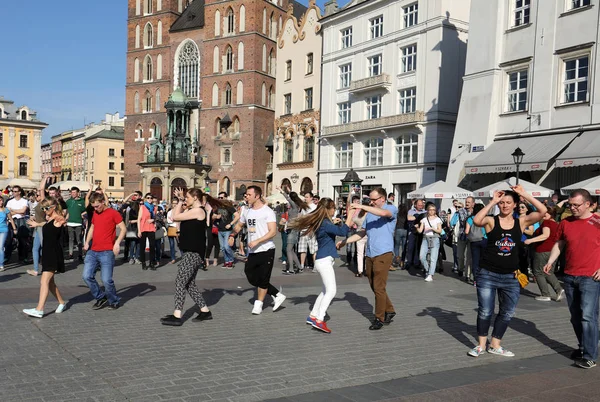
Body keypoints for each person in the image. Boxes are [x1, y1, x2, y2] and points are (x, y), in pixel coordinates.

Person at [468, 186, 546, 358]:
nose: (505, 206)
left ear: (515, 204)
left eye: (508, 202)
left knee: (507, 312)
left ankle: (495, 344)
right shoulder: (491, 221)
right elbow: (476, 220)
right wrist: (492, 202)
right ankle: (481, 345)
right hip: (488, 274)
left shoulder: (521, 222)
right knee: (485, 311)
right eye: (502, 203)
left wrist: (525, 194)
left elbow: (542, 211)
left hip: (511, 276)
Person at [543, 189, 600, 369]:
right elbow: (560, 243)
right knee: (575, 317)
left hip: (591, 276)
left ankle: (590, 355)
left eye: (576, 205)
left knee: (587, 316)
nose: (572, 208)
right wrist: (551, 261)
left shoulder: (597, 221)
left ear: (588, 204)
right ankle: (584, 346)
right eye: (570, 205)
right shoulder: (566, 222)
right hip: (569, 275)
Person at [288, 198, 353, 333]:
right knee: (331, 291)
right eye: (333, 208)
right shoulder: (324, 223)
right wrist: (350, 216)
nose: (334, 210)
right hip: (324, 260)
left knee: (325, 291)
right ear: (328, 209)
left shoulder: (324, 222)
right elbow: (342, 232)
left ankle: (313, 315)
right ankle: (319, 319)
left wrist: (335, 222)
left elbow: (333, 229)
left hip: (322, 259)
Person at [338, 188, 397, 330]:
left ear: (382, 198)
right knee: (374, 285)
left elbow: (383, 213)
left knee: (378, 286)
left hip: (384, 252)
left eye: (374, 200)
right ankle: (389, 309)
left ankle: (379, 318)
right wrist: (345, 241)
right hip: (370, 253)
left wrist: (361, 206)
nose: (371, 202)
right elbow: (361, 233)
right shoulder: (370, 215)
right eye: (370, 200)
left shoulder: (390, 208)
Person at [228, 185, 286, 315]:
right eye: (246, 195)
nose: (246, 197)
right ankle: (277, 294)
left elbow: (272, 232)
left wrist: (257, 241)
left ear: (257, 196)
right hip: (253, 251)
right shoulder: (247, 211)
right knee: (251, 277)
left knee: (263, 278)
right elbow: (239, 225)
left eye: (249, 195)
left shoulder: (267, 211)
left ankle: (258, 304)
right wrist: (232, 235)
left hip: (266, 249)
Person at [160, 188, 213, 326]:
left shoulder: (198, 211)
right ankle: (205, 311)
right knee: (190, 284)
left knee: (180, 282)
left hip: (193, 252)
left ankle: (177, 315)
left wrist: (181, 201)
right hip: (190, 251)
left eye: (188, 197)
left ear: (195, 198)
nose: (186, 200)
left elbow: (175, 217)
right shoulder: (191, 211)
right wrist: (181, 200)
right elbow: (174, 215)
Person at [22, 197, 67, 318]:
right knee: (50, 283)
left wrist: (62, 219)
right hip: (47, 253)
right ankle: (62, 303)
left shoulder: (58, 219)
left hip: (53, 253)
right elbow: (46, 224)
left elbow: (61, 221)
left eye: (46, 208)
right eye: (43, 208)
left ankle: (39, 309)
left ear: (53, 207)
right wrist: (37, 224)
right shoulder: (50, 219)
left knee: (44, 281)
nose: (44, 210)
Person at [83, 192, 126, 310]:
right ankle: (100, 297)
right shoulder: (95, 213)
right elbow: (92, 227)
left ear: (103, 202)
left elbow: (123, 228)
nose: (95, 209)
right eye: (93, 207)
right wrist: (87, 242)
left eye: (97, 206)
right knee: (86, 276)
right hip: (93, 250)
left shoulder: (113, 213)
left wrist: (117, 243)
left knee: (106, 280)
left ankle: (113, 300)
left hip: (107, 252)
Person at [525, 207, 564, 302]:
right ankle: (558, 289)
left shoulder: (547, 223)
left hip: (542, 250)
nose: (542, 215)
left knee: (538, 272)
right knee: (548, 272)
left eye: (545, 213)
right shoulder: (556, 224)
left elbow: (545, 235)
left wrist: (530, 240)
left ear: (550, 214)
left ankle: (545, 294)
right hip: (553, 250)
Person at [278, 185, 308, 274]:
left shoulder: (294, 206)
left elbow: (288, 198)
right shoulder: (297, 205)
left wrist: (281, 190)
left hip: (293, 229)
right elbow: (291, 197)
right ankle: (299, 267)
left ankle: (291, 269)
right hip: (293, 228)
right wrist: (289, 190)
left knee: (288, 249)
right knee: (291, 250)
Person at [416, 202, 442, 282]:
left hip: (434, 238)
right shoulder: (424, 219)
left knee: (433, 258)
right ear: (427, 210)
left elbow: (439, 231)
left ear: (435, 211)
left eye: (433, 210)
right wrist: (417, 227)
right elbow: (420, 231)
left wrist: (432, 228)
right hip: (425, 238)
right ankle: (427, 270)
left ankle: (430, 274)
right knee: (421, 256)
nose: (431, 211)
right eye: (430, 210)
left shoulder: (438, 219)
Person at [214, 192, 239, 269]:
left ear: (226, 197)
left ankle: (231, 260)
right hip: (219, 230)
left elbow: (237, 216)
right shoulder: (217, 207)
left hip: (227, 230)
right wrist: (215, 216)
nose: (220, 199)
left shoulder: (229, 207)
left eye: (221, 197)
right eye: (219, 197)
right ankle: (226, 261)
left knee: (227, 246)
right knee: (222, 248)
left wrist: (230, 224)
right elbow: (213, 215)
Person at [6, 185, 30, 264]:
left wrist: (12, 211)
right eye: (13, 191)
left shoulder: (24, 201)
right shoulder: (10, 201)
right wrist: (17, 211)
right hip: (12, 221)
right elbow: (7, 213)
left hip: (21, 220)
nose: (13, 192)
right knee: (9, 240)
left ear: (19, 192)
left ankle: (23, 257)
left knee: (23, 240)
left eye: (15, 191)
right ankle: (7, 258)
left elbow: (23, 211)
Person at [465, 203, 487, 284]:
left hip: (474, 241)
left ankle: (475, 279)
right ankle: (483, 278)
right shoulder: (485, 218)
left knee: (475, 260)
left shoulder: (470, 218)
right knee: (484, 260)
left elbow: (466, 231)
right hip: (484, 240)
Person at [454, 196, 474, 278]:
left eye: (469, 202)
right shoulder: (462, 210)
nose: (467, 203)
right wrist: (473, 216)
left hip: (472, 236)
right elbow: (463, 220)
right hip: (462, 235)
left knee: (469, 257)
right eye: (466, 202)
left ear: (473, 203)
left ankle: (468, 274)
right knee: (460, 255)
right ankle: (460, 268)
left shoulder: (475, 211)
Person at [298, 191, 318, 271]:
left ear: (311, 198)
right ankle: (302, 265)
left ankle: (315, 266)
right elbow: (301, 217)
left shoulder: (314, 207)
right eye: (305, 197)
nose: (305, 198)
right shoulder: (303, 207)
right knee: (302, 248)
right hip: (303, 229)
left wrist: (313, 228)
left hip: (311, 230)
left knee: (313, 249)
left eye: (306, 197)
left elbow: (316, 219)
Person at [65, 187, 86, 262]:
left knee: (79, 239)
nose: (73, 194)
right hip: (70, 222)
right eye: (72, 192)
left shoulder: (82, 201)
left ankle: (80, 254)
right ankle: (71, 254)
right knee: (71, 239)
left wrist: (82, 214)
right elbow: (65, 210)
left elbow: (86, 210)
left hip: (78, 223)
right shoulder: (68, 201)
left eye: (74, 192)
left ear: (78, 193)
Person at [27, 191, 45, 276]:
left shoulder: (44, 204)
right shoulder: (38, 204)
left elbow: (46, 219)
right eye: (36, 195)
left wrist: (45, 178)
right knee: (35, 248)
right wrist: (33, 218)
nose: (36, 196)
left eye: (38, 195)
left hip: (42, 227)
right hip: (37, 227)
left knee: (44, 249)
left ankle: (48, 267)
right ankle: (35, 270)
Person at [138, 192, 157, 270]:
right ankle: (143, 263)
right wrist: (139, 231)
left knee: (152, 246)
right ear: (145, 199)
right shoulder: (142, 207)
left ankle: (152, 263)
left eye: (151, 198)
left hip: (151, 228)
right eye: (148, 198)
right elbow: (139, 219)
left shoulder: (155, 208)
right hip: (143, 228)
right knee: (142, 246)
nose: (150, 199)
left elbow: (155, 218)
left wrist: (154, 220)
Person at [405, 199, 425, 269]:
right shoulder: (411, 211)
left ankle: (416, 262)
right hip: (412, 231)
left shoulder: (425, 211)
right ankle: (409, 262)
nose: (420, 206)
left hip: (421, 232)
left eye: (421, 205)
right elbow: (409, 218)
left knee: (418, 247)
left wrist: (415, 217)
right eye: (419, 205)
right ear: (415, 205)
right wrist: (418, 217)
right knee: (410, 247)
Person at [0, 197, 17, 271]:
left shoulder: (6, 210)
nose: (1, 202)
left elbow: (11, 220)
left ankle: (1, 265)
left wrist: (14, 229)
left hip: (4, 229)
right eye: (0, 200)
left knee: (0, 247)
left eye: (1, 200)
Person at [393, 204, 408, 269]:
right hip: (405, 230)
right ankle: (402, 261)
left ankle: (397, 258)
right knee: (404, 247)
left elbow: (395, 222)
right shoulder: (407, 215)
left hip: (398, 230)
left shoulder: (397, 214)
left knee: (397, 246)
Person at [166, 199, 180, 264]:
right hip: (171, 228)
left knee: (180, 244)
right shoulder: (169, 212)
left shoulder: (180, 211)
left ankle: (183, 257)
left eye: (176, 203)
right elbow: (169, 220)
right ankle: (173, 258)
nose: (175, 204)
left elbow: (179, 220)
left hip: (177, 229)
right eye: (173, 203)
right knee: (171, 245)